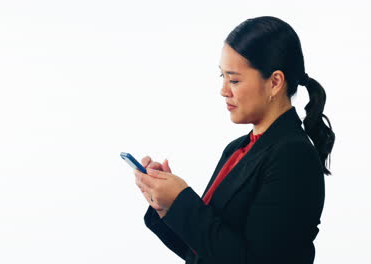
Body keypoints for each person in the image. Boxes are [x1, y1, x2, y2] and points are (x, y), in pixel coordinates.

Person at [134, 16, 335, 264]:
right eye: (223, 77)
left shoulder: (293, 156)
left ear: (274, 82)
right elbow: (204, 251)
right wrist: (165, 204)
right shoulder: (237, 149)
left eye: (235, 80)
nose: (224, 90)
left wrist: (181, 200)